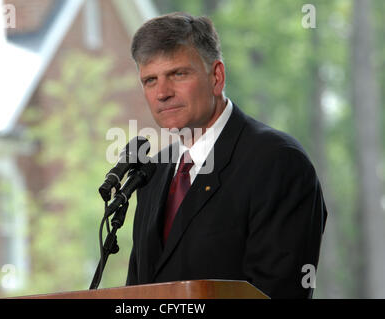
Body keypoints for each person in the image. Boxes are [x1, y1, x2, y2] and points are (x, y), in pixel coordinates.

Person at [125, 12, 327, 299]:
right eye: (150, 80)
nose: (162, 93)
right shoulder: (153, 171)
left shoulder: (277, 161)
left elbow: (279, 292)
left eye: (177, 74)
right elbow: (139, 292)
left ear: (216, 77)